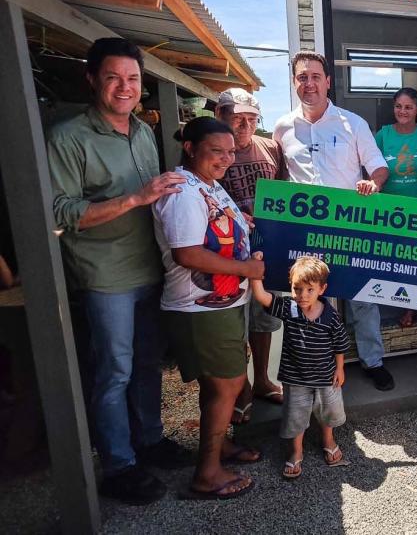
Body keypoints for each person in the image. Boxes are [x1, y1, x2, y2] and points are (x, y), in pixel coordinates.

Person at [47, 37, 192, 505]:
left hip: (149, 266)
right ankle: (118, 464)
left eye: (132, 79)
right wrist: (135, 198)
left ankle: (150, 440)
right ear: (93, 79)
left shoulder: (144, 133)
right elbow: (60, 213)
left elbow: (159, 197)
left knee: (148, 364)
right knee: (114, 372)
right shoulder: (67, 138)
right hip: (105, 275)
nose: (125, 87)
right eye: (113, 77)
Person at [153, 117, 265, 500]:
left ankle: (219, 448)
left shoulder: (209, 186)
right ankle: (207, 472)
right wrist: (246, 269)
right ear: (191, 148)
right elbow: (187, 253)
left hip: (221, 303)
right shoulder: (183, 190)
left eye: (231, 151)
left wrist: (242, 225)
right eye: (216, 151)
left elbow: (214, 228)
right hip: (200, 308)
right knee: (228, 385)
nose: (226, 159)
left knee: (217, 386)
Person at [272, 51, 394, 391]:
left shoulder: (352, 123)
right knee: (312, 299)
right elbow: (279, 178)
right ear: (294, 82)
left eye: (315, 76)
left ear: (328, 81)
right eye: (302, 77)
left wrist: (375, 183)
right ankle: (319, 366)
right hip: (306, 234)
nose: (309, 83)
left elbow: (379, 167)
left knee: (362, 297)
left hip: (350, 228)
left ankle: (373, 361)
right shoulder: (282, 128)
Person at [214, 88, 287, 423]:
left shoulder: (272, 146)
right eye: (236, 118)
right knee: (233, 323)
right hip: (225, 251)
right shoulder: (211, 150)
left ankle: (262, 380)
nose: (243, 125)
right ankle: (239, 389)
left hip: (266, 247)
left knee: (264, 318)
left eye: (250, 118)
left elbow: (285, 191)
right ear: (221, 116)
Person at [249, 254, 349, 478]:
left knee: (329, 412)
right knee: (295, 416)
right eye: (297, 289)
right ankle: (296, 452)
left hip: (326, 377)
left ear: (322, 289)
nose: (303, 296)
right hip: (295, 380)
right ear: (291, 287)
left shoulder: (331, 316)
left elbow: (340, 343)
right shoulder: (288, 308)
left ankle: (328, 439)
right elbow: (262, 297)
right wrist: (254, 271)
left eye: (309, 290)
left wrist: (340, 368)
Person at [374, 87, 417, 330]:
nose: (402, 111)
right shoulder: (383, 135)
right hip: (393, 212)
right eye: (398, 106)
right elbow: (372, 167)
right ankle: (408, 307)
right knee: (401, 264)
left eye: (408, 107)